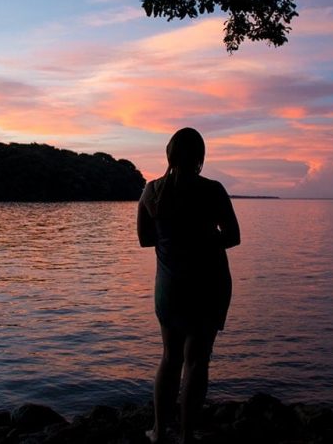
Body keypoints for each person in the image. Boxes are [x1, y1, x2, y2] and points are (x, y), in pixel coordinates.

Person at [137, 127, 240, 444]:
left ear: (169, 155)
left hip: (171, 286)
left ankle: (159, 430)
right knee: (197, 360)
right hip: (209, 284)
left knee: (170, 357)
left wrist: (174, 244)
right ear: (200, 157)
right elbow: (233, 236)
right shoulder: (213, 190)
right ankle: (187, 433)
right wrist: (203, 243)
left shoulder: (152, 191)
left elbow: (144, 239)